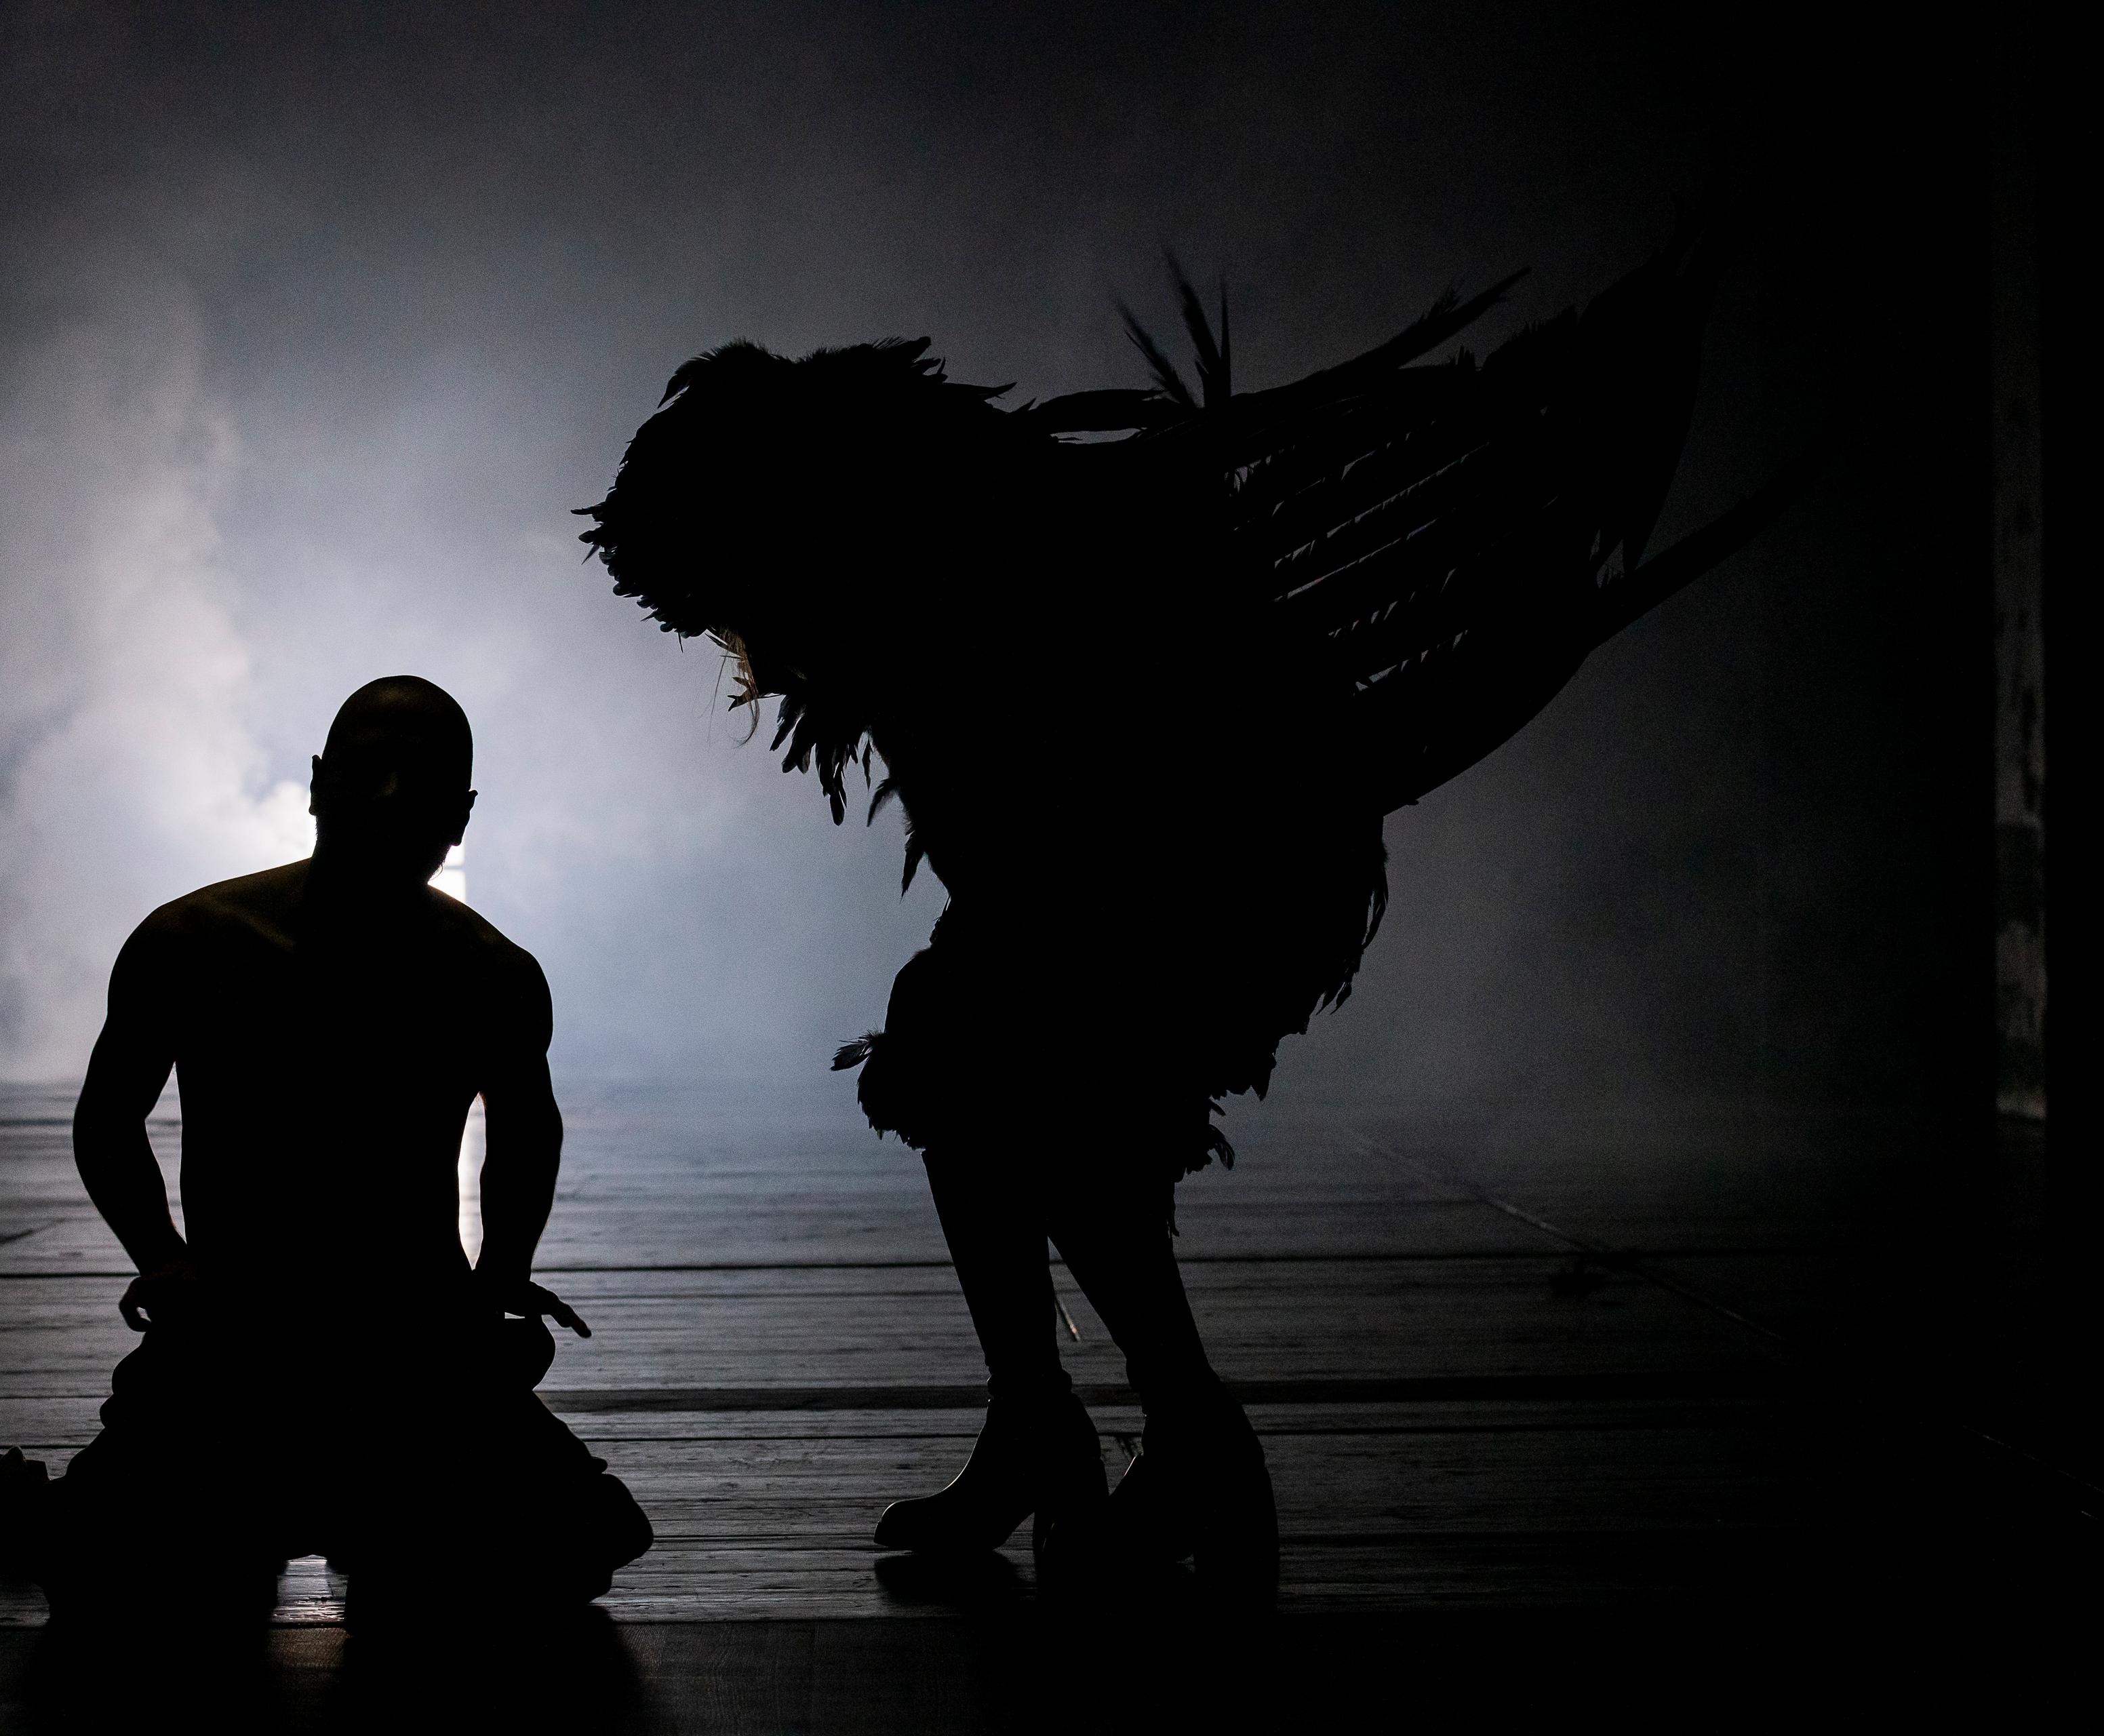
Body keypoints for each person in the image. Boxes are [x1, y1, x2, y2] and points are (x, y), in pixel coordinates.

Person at [578, 184, 1844, 1603]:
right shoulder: (902, 567)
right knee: (967, 1064)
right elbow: (1007, 831)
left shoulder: (979, 558)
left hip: (1218, 865)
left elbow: (1100, 787)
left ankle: (1187, 1434)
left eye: (727, 604)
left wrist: (1026, 943)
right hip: (1117, 867)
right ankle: (1049, 1418)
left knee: (1033, 1088)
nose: (740, 645)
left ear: (775, 529)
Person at [43, 675, 650, 1621]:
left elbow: (529, 1133)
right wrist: (163, 1259)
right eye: (370, 771)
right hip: (238, 1342)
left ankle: (355, 1511)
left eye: (422, 780)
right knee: (100, 1561)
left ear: (462, 815)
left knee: (575, 1541)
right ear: (320, 784)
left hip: (410, 1348)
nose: (392, 799)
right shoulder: (194, 943)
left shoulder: (489, 973)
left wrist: (497, 1282)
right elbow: (109, 1116)